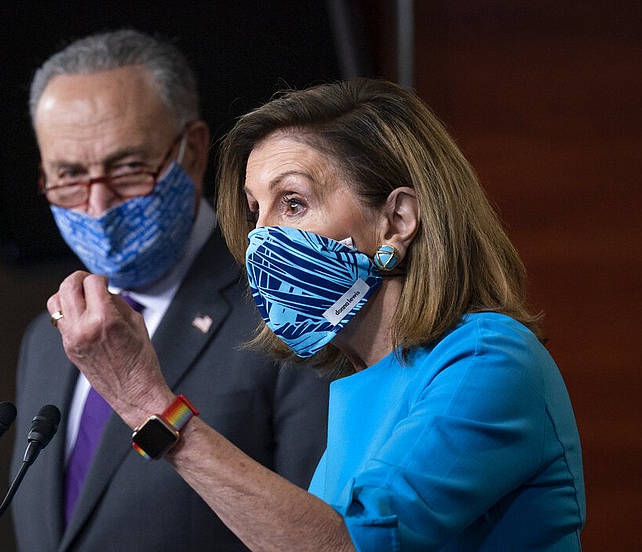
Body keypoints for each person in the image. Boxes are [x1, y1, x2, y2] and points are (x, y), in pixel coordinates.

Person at [47, 77, 586, 551]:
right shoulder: (358, 382)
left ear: (396, 220)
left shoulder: (488, 359)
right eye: (256, 212)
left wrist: (147, 403)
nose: (261, 239)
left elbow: (344, 546)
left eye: (294, 203)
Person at [9, 29, 330, 551]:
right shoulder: (46, 339)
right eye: (68, 175)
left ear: (193, 151)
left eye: (129, 168)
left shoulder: (289, 308)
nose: (97, 205)